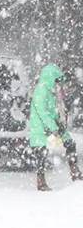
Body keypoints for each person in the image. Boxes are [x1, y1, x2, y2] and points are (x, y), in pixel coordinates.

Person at [28, 63, 82, 191]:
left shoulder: (50, 92)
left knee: (69, 142)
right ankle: (40, 182)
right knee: (41, 153)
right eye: (57, 80)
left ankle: (74, 171)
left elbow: (52, 112)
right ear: (50, 78)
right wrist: (54, 127)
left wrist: (59, 123)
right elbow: (41, 111)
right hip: (40, 128)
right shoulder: (41, 90)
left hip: (52, 126)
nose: (58, 83)